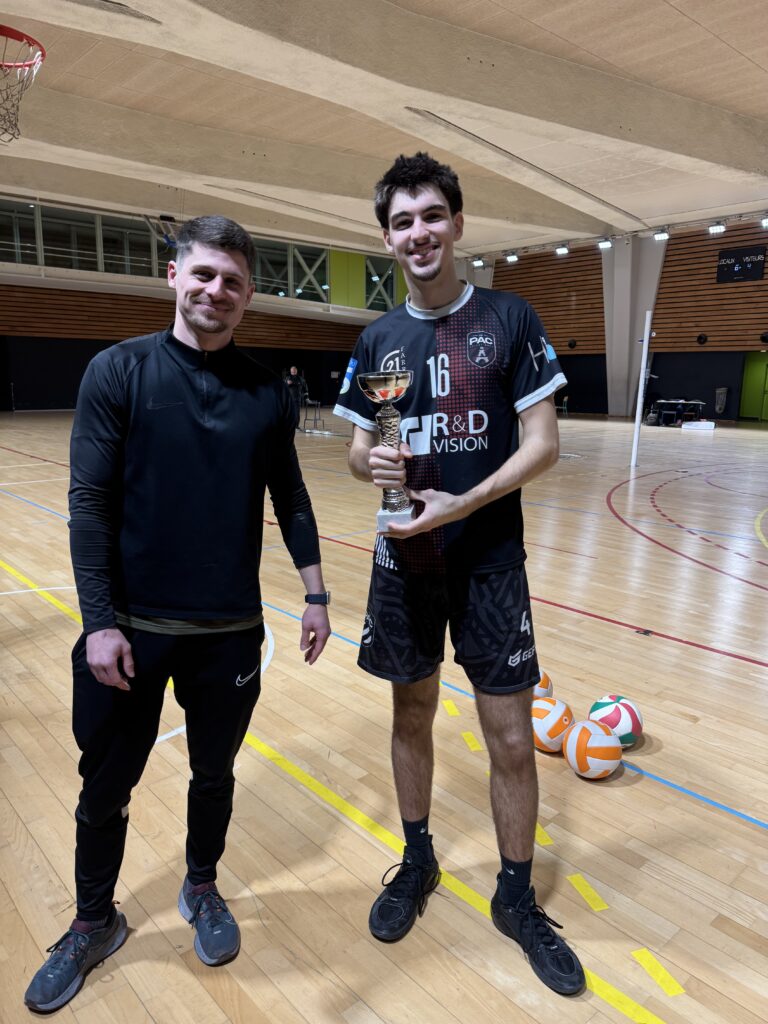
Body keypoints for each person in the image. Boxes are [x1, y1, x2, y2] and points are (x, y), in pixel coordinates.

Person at [24, 216, 332, 1013]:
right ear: (173, 276)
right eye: (203, 274)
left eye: (232, 281)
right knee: (105, 786)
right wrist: (100, 622)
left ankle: (201, 886)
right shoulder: (117, 371)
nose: (215, 291)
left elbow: (291, 496)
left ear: (248, 295)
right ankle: (93, 922)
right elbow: (89, 503)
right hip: (130, 632)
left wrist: (316, 593)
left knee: (214, 775)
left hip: (228, 634)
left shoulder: (267, 392)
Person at [333, 153, 584, 997]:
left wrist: (461, 504)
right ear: (387, 238)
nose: (419, 233)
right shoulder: (379, 340)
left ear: (458, 224)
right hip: (404, 562)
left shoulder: (508, 319)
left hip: (488, 563)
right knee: (411, 713)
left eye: (432, 216)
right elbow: (363, 448)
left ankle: (515, 898)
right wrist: (373, 463)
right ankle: (418, 861)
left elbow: (544, 444)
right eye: (402, 221)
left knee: (511, 737)